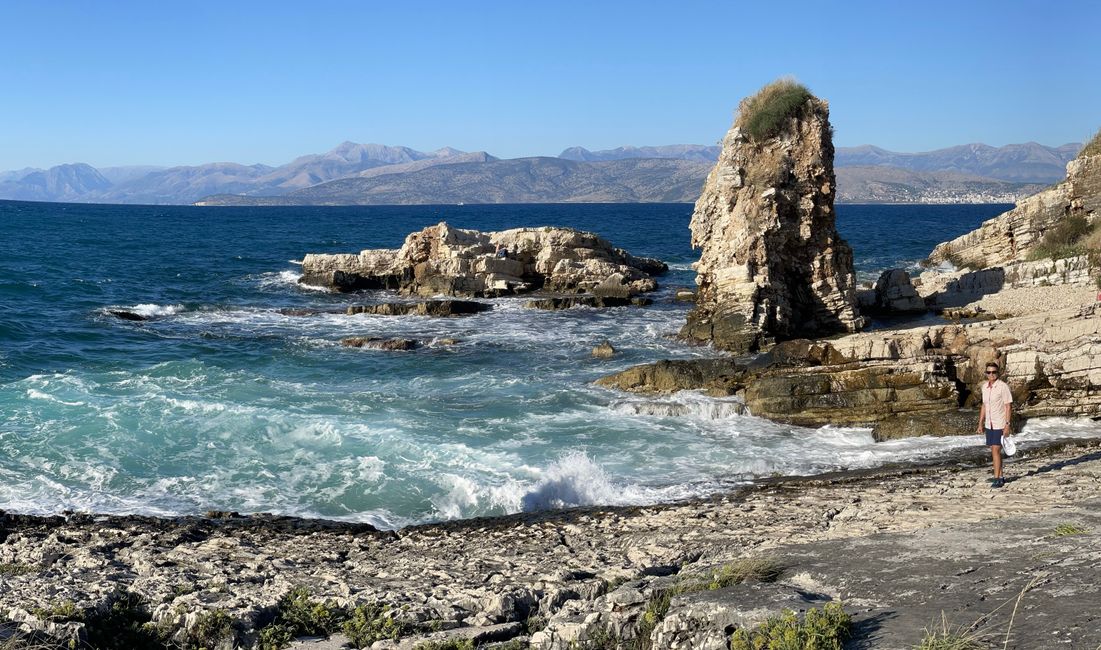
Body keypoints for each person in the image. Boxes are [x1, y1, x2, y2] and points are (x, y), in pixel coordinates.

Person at [976, 362, 1013, 488]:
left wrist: (1007, 424)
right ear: (986, 373)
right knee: (993, 450)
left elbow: (1008, 406)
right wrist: (980, 423)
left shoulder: (1003, 387)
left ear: (998, 373)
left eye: (994, 372)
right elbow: (984, 406)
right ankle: (1000, 476)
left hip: (999, 423)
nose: (991, 374)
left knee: (996, 450)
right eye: (989, 372)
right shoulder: (984, 387)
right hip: (989, 424)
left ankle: (997, 478)